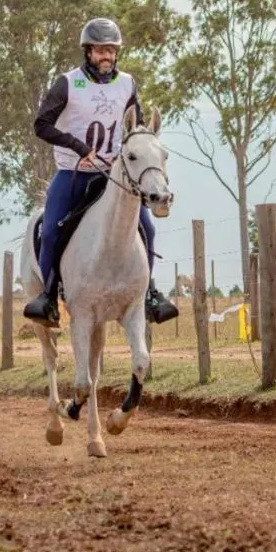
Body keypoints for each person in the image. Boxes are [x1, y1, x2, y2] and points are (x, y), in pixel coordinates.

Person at [22, 17, 180, 329]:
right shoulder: (68, 83)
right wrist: (78, 147)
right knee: (51, 227)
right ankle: (49, 297)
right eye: (99, 50)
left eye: (111, 50)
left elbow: (135, 126)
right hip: (74, 171)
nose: (106, 56)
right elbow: (42, 124)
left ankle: (148, 293)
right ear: (88, 52)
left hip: (115, 175)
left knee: (146, 226)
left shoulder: (127, 84)